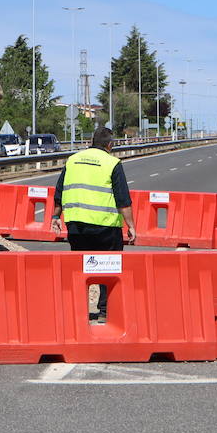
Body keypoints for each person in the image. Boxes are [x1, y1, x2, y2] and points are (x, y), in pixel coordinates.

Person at [50, 126, 135, 319]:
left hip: (76, 226)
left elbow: (59, 192)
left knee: (80, 268)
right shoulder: (112, 163)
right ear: (110, 145)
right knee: (108, 268)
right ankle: (105, 310)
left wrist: (55, 217)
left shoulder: (73, 160)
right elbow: (123, 200)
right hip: (106, 227)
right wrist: (131, 226)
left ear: (91, 142)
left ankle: (79, 310)